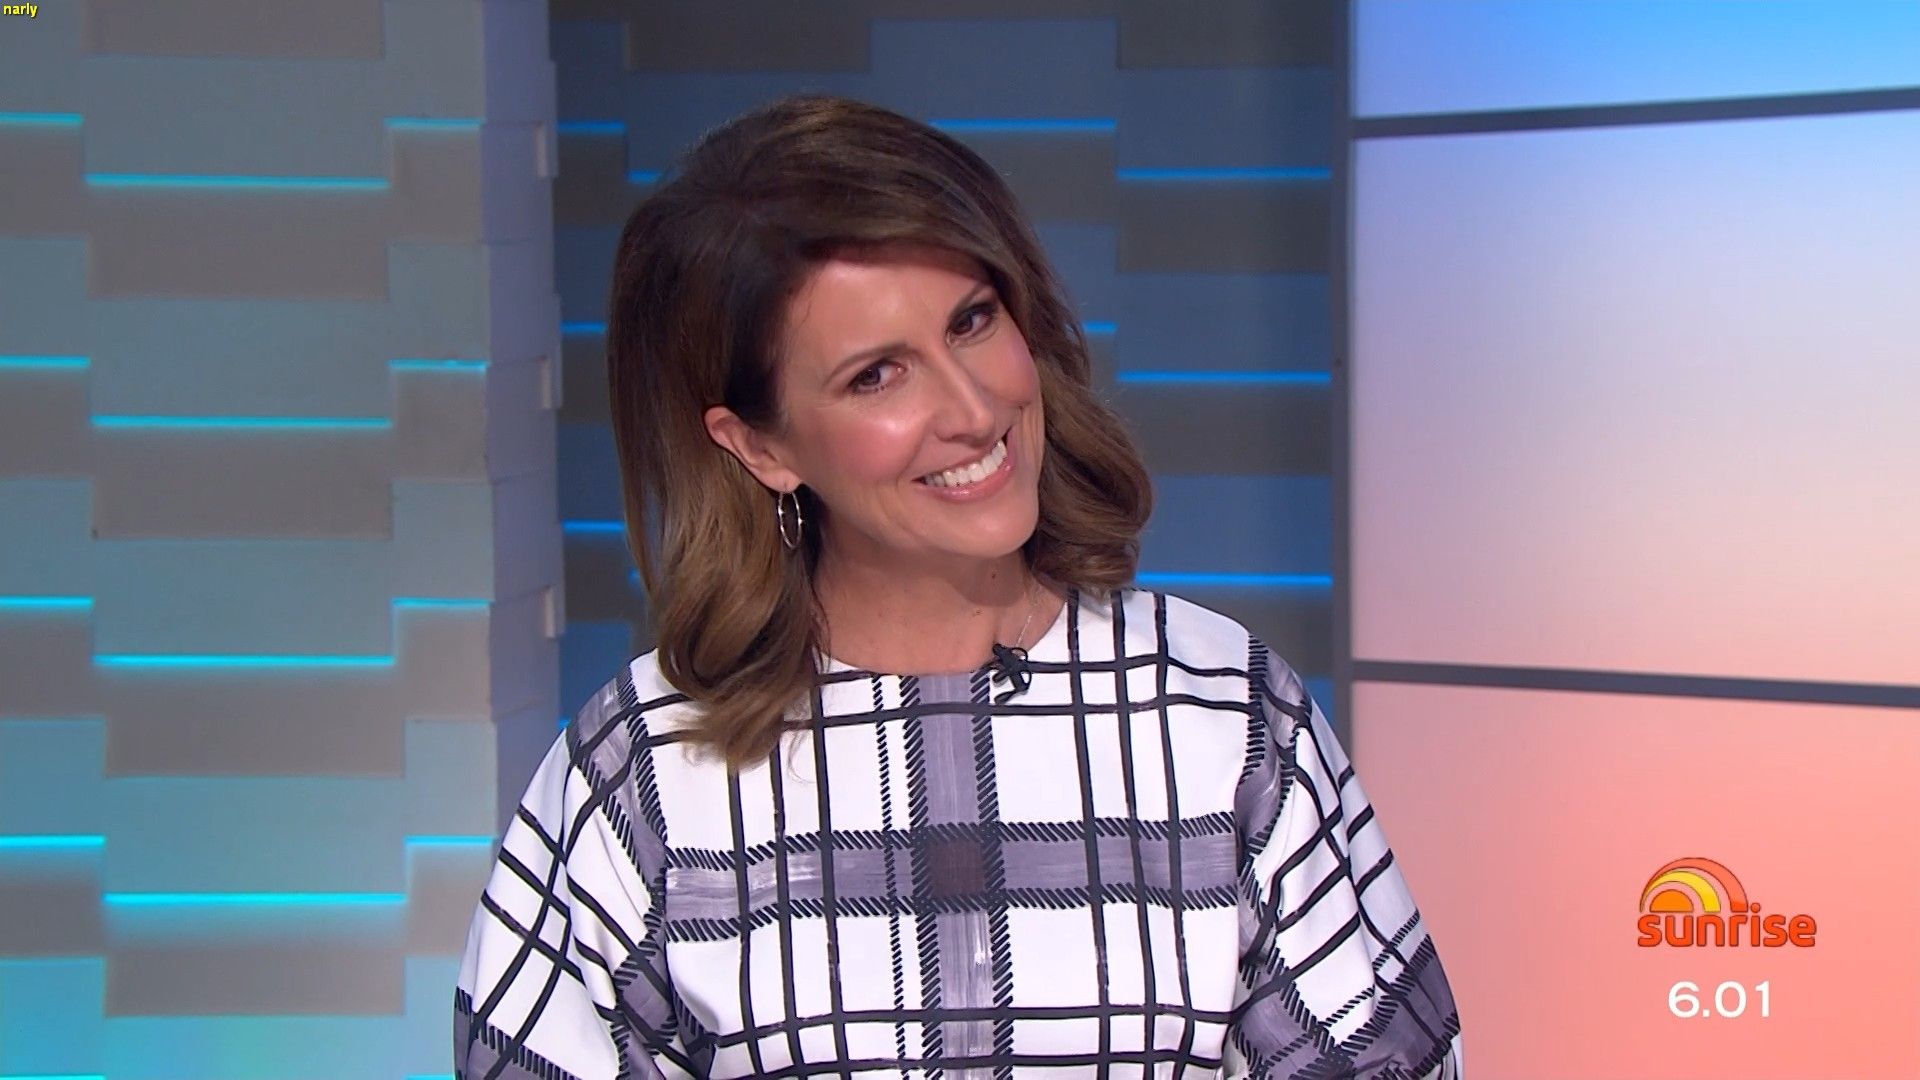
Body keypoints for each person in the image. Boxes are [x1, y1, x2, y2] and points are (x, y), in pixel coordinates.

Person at [454, 93, 1464, 1079]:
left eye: (973, 321)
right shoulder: (640, 776)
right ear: (760, 446)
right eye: (876, 375)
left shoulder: (1223, 711)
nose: (975, 411)